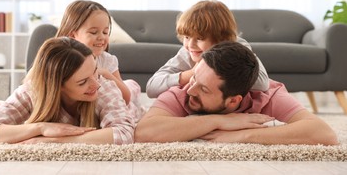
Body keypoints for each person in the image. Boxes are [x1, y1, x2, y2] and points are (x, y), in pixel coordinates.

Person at [135, 41, 338, 145]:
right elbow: (144, 132)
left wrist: (244, 135)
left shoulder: (268, 94)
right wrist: (219, 121)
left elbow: (324, 134)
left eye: (204, 89)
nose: (191, 89)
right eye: (195, 77)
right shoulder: (185, 89)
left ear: (234, 101)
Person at [0, 37, 134, 144]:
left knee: (131, 89)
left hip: (130, 106)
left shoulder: (104, 86)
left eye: (95, 71)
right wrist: (40, 128)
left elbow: (124, 134)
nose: (95, 84)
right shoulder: (32, 91)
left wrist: (53, 140)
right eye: (83, 81)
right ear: (56, 85)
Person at [146, 0, 270, 98]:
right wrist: (191, 74)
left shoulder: (238, 47)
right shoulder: (188, 53)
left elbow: (262, 83)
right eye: (187, 37)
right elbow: (152, 87)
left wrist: (209, 72)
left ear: (221, 39)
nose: (191, 45)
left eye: (200, 38)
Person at [56, 0, 144, 121]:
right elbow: (32, 82)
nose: (101, 37)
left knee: (131, 88)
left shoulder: (107, 60)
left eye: (105, 32)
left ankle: (133, 87)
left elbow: (126, 97)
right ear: (72, 36)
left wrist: (105, 74)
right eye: (93, 32)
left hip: (105, 108)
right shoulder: (57, 59)